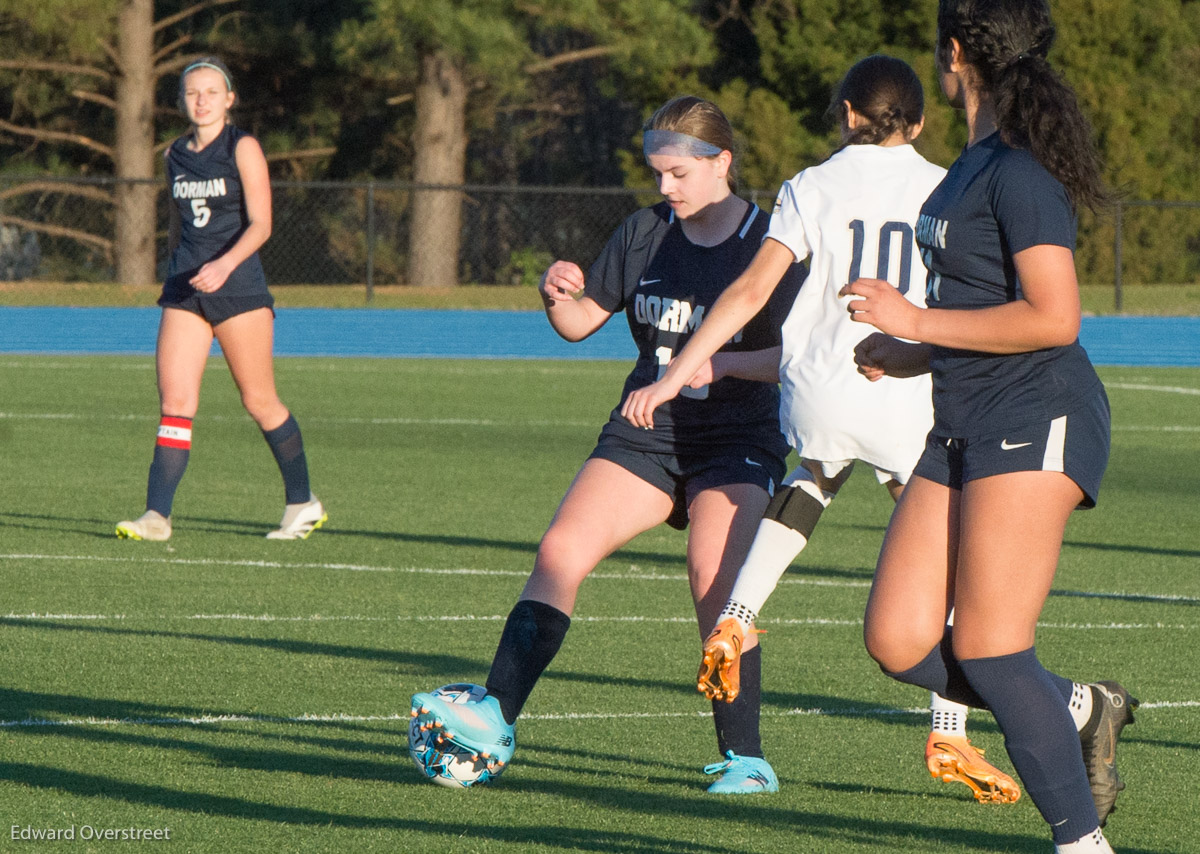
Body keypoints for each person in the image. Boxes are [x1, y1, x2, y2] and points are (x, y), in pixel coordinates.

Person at [621, 55, 1020, 804]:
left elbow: (750, 290)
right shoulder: (947, 182)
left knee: (814, 477)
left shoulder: (811, 185)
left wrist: (677, 372)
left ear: (844, 116)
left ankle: (737, 616)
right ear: (921, 121)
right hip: (901, 380)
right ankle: (948, 728)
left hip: (820, 387)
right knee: (954, 554)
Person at [409, 95, 804, 793]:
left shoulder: (769, 246)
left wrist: (720, 365)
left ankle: (746, 759)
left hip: (735, 436)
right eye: (657, 174)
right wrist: (554, 292)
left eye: (679, 174)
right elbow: (580, 321)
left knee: (716, 582)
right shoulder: (644, 233)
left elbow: (800, 357)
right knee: (560, 553)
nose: (665, 189)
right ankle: (494, 718)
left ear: (723, 164)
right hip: (645, 432)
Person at [833, 2, 1137, 850]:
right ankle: (1082, 705)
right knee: (897, 638)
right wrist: (912, 352)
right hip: (965, 417)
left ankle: (1083, 843)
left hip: (1038, 415)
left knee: (996, 651)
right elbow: (982, 307)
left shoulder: (1017, 172)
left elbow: (1054, 317)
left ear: (954, 52)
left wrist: (917, 323)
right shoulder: (970, 164)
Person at [116, 57, 325, 542]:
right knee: (176, 403)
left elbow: (262, 223)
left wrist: (224, 265)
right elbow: (176, 224)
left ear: (229, 99)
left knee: (259, 400)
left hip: (238, 288)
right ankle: (157, 516)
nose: (202, 100)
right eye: (193, 92)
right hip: (185, 289)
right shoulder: (173, 155)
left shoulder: (243, 146)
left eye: (212, 91)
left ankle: (302, 502)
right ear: (182, 100)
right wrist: (175, 269)